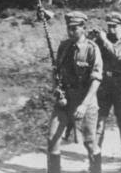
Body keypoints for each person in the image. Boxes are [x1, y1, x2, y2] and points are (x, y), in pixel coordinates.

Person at [47, 11, 103, 173]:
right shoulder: (64, 47)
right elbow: (56, 71)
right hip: (64, 99)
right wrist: (56, 88)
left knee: (90, 143)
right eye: (68, 28)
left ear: (83, 28)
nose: (70, 32)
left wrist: (84, 105)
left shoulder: (92, 49)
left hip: (85, 99)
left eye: (74, 29)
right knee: (53, 139)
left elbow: (96, 79)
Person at [94, 12, 121, 171]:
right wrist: (93, 39)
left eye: (114, 26)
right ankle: (95, 158)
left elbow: (118, 54)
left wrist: (103, 40)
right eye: (109, 26)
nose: (111, 29)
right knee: (100, 121)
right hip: (105, 83)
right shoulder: (104, 40)